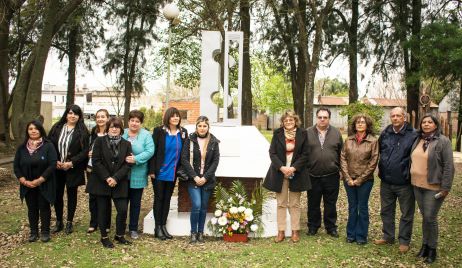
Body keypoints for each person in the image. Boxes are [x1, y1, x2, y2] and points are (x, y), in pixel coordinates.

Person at [410, 114, 454, 263]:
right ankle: (425, 246)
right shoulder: (418, 139)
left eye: (430, 122)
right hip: (417, 185)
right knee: (425, 217)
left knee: (430, 218)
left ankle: (432, 249)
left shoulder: (443, 141)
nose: (426, 124)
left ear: (436, 125)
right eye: (424, 122)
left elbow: (449, 166)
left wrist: (446, 187)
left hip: (433, 187)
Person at [374, 107, 418, 253]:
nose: (395, 118)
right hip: (386, 181)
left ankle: (404, 240)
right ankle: (388, 236)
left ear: (404, 117)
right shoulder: (386, 132)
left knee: (406, 213)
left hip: (405, 182)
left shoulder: (413, 134)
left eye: (398, 116)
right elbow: (379, 151)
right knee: (386, 211)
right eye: (393, 116)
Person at [263, 110, 310, 243]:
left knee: (295, 204)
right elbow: (272, 153)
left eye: (291, 120)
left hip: (297, 172)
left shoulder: (303, 133)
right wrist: (282, 168)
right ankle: (281, 231)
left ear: (295, 121)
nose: (288, 122)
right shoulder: (277, 133)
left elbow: (306, 154)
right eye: (286, 120)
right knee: (281, 203)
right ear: (283, 122)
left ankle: (295, 231)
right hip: (280, 172)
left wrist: (293, 168)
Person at [87, 117, 133, 248]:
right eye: (112, 126)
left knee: (123, 210)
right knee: (103, 210)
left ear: (121, 129)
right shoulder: (99, 141)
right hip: (101, 182)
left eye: (117, 127)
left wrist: (116, 178)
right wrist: (107, 177)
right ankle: (104, 237)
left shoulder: (126, 144)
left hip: (119, 182)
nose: (114, 129)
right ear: (108, 128)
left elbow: (128, 164)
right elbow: (96, 161)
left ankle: (119, 235)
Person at [48, 104, 90, 234]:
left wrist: (71, 163)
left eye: (75, 114)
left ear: (79, 116)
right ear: (66, 114)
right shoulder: (56, 128)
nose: (72, 116)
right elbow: (49, 145)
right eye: (70, 113)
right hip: (57, 167)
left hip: (73, 168)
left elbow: (85, 151)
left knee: (72, 194)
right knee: (57, 194)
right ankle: (59, 221)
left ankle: (69, 222)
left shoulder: (83, 131)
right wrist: (55, 161)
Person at [14, 120, 57, 242]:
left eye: (36, 128)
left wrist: (40, 180)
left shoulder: (48, 145)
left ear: (40, 130)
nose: (33, 131)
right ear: (27, 131)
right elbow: (16, 166)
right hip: (27, 184)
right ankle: (33, 232)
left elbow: (52, 164)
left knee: (44, 207)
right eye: (30, 129)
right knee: (31, 208)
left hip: (44, 182)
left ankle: (45, 231)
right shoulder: (22, 148)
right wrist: (23, 180)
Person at [148, 107, 188, 240]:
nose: (176, 118)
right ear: (168, 118)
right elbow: (153, 151)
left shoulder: (183, 132)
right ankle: (157, 227)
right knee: (159, 198)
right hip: (160, 171)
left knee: (167, 199)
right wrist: (152, 170)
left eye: (177, 116)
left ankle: (163, 225)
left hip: (173, 172)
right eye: (173, 116)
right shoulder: (159, 131)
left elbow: (184, 153)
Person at [340, 114, 379, 245]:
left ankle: (361, 235)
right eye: (358, 122)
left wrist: (360, 180)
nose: (360, 124)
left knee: (362, 207)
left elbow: (373, 162)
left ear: (367, 125)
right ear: (354, 125)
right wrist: (348, 177)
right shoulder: (348, 140)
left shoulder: (373, 141)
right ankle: (351, 234)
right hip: (349, 180)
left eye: (363, 122)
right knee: (352, 207)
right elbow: (343, 158)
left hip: (365, 181)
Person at [180, 116, 220, 243]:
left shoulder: (214, 141)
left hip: (207, 180)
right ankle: (193, 232)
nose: (202, 128)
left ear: (208, 127)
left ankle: (200, 233)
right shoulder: (190, 140)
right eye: (200, 126)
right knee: (196, 205)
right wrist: (195, 176)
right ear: (196, 127)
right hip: (194, 179)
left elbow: (215, 161)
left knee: (203, 207)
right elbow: (184, 159)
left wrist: (205, 177)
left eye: (204, 126)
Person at [306, 107, 343, 238]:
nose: (322, 119)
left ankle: (331, 227)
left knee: (330, 203)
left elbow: (341, 153)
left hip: (331, 175)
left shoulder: (336, 133)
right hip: (312, 175)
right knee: (313, 203)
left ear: (329, 118)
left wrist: (342, 171)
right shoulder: (307, 132)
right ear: (317, 118)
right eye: (320, 117)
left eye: (325, 117)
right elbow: (303, 154)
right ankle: (313, 226)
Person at [122, 110, 154, 240]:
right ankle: (121, 226)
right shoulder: (122, 132)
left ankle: (133, 228)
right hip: (122, 174)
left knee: (135, 203)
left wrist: (136, 158)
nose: (134, 123)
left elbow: (150, 150)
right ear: (128, 121)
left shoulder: (146, 135)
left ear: (140, 123)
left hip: (138, 173)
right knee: (122, 202)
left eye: (137, 121)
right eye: (132, 120)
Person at [86, 109, 110, 234]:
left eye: (103, 116)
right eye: (98, 117)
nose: (100, 119)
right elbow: (88, 148)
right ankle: (93, 222)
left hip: (105, 170)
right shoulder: (93, 133)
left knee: (105, 197)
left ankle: (105, 223)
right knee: (93, 197)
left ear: (107, 118)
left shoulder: (111, 132)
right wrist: (88, 153)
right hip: (91, 169)